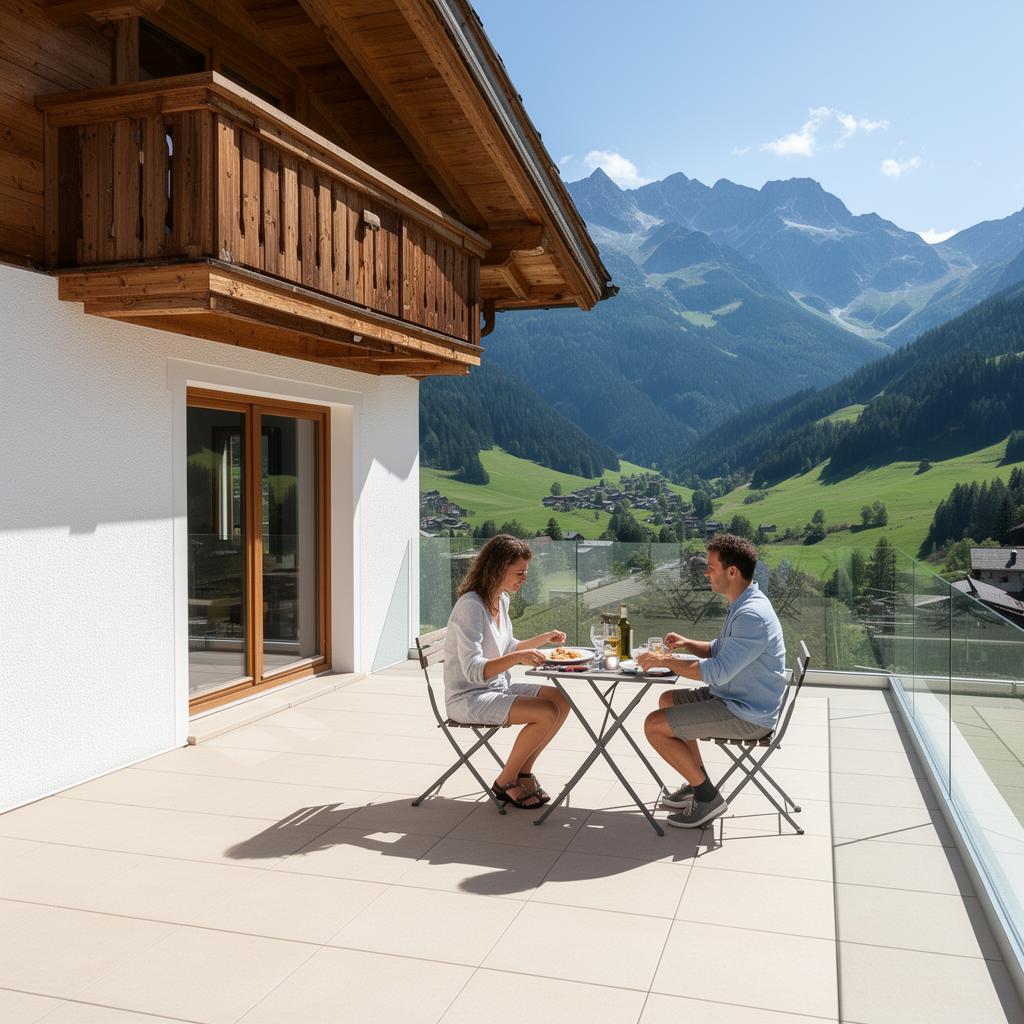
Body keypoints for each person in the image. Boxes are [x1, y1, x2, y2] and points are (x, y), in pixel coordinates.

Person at [638, 533, 786, 829]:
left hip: (747, 713)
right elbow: (720, 651)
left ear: (732, 571)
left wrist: (665, 661)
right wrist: (686, 643)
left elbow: (718, 670)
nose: (706, 571)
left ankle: (707, 797)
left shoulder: (751, 615)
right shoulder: (744, 603)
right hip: (735, 697)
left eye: (711, 566)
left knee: (653, 725)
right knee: (668, 700)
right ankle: (697, 784)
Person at [444, 534, 570, 809]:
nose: (524, 578)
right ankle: (506, 780)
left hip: (496, 688)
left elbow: (508, 646)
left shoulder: (500, 600)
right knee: (545, 712)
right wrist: (517, 657)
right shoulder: (470, 606)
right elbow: (475, 670)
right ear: (499, 568)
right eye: (520, 572)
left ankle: (523, 772)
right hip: (468, 697)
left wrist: (543, 638)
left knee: (561, 700)